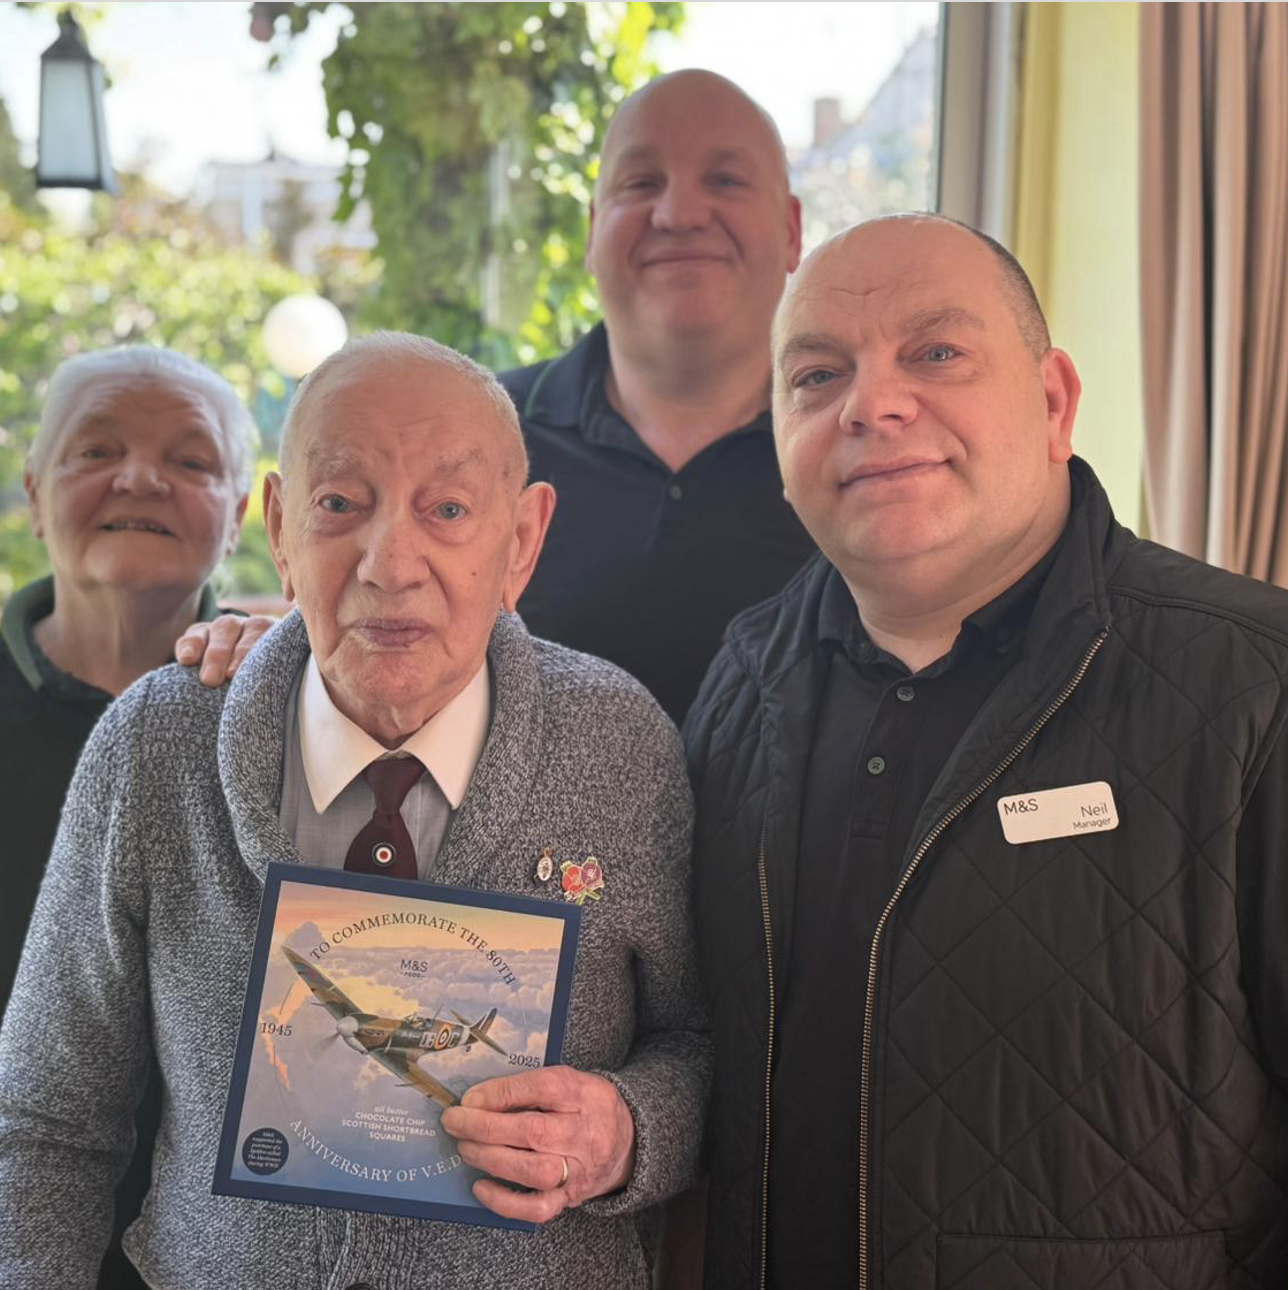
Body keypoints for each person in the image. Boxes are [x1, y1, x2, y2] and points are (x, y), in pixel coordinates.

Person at [0, 332, 710, 1290]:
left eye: (448, 509)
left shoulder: (620, 744)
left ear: (522, 542)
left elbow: (706, 1047)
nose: (390, 562)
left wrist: (627, 1132)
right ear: (281, 528)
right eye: (341, 505)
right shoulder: (156, 744)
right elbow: (45, 1114)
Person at [685, 214, 1288, 1288]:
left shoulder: (1253, 687)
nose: (871, 405)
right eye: (817, 377)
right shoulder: (739, 685)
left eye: (936, 353)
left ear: (1053, 402)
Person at [0, 344, 267, 1290]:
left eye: (192, 462)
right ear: (34, 493)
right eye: (95, 450)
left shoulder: (295, 708)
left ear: (238, 513)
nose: (141, 477)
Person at [500, 69, 816, 723]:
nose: (679, 214)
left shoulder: (865, 444)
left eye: (725, 181)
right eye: (642, 184)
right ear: (592, 231)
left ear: (791, 230)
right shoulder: (477, 435)